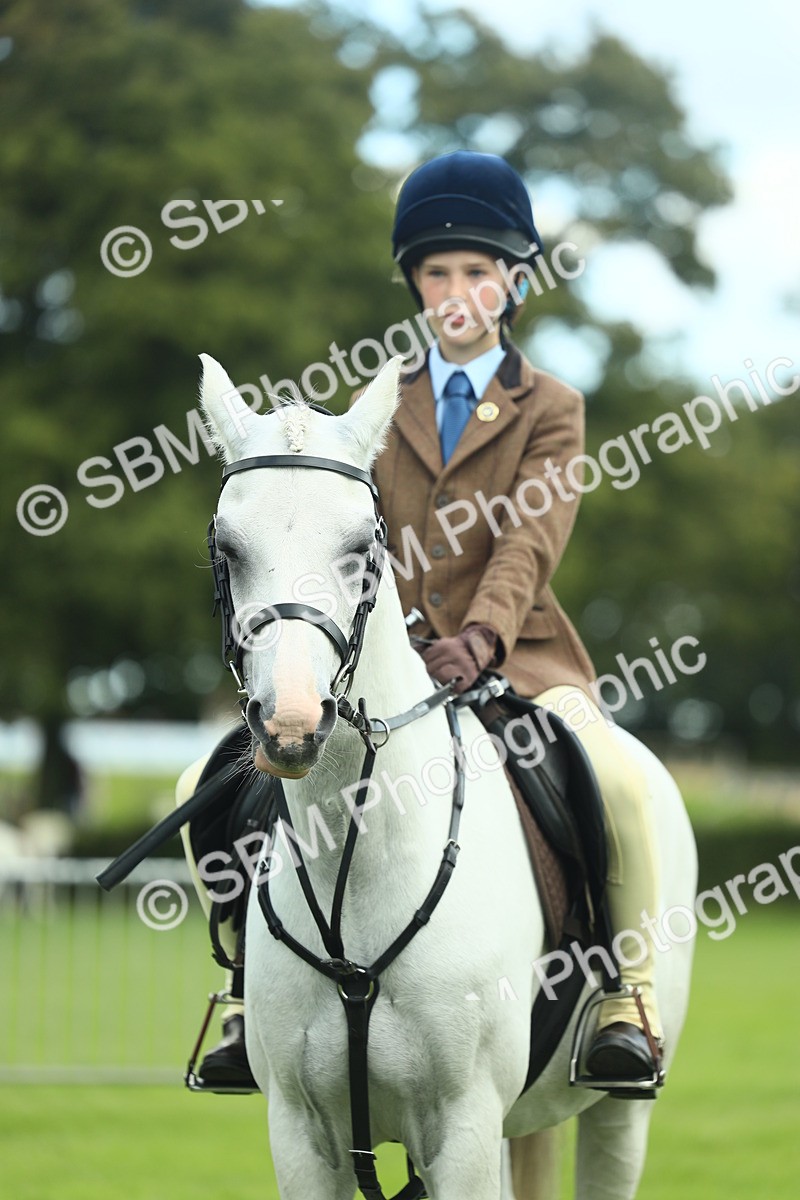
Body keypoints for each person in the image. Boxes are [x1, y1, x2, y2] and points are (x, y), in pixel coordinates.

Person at [179, 150, 663, 1091]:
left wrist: (480, 635)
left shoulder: (552, 407)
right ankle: (246, 988)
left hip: (519, 657)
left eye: (476, 273)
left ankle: (620, 995)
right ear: (415, 282)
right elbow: (333, 535)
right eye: (436, 273)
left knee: (624, 786)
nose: (455, 292)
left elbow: (529, 540)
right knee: (223, 783)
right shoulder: (374, 404)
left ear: (514, 282)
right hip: (386, 668)